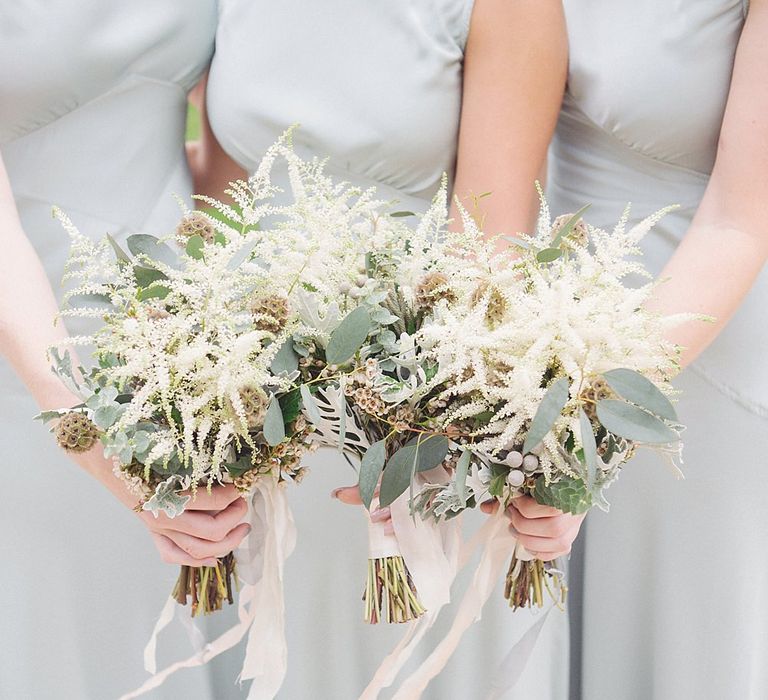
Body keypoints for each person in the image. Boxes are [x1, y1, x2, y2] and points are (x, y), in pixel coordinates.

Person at [195, 1, 584, 697]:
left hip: (411, 409)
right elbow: (221, 211)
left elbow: (491, 250)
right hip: (257, 409)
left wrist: (410, 433)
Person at [0, 3, 251, 697]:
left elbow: (239, 122)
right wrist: (94, 438)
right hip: (28, 356)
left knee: (167, 648)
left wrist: (220, 340)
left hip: (173, 362)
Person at [547, 1, 768, 698]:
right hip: (542, 346)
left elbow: (741, 219)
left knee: (674, 651)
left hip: (690, 355)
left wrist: (592, 420)